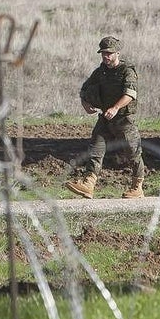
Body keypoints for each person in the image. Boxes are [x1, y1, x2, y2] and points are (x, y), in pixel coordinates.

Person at [65, 36, 145, 200]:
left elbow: (130, 94)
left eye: (109, 53)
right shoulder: (100, 71)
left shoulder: (127, 71)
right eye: (103, 53)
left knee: (133, 152)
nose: (105, 57)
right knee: (96, 149)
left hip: (123, 119)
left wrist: (116, 107)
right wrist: (85, 103)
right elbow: (84, 89)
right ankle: (88, 184)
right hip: (105, 118)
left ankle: (137, 187)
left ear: (117, 53)